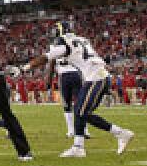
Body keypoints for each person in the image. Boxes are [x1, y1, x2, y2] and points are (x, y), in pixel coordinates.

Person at [16, 22, 135, 158]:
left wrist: (24, 68)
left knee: (80, 111)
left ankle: (89, 144)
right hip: (98, 76)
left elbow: (46, 58)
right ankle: (113, 136)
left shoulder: (65, 43)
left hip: (96, 78)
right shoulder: (81, 39)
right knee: (83, 113)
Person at [51, 56, 87, 139]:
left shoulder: (56, 47)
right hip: (73, 74)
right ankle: (77, 130)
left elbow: (52, 63)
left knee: (73, 104)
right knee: (73, 104)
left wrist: (49, 79)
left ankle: (76, 130)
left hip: (69, 74)